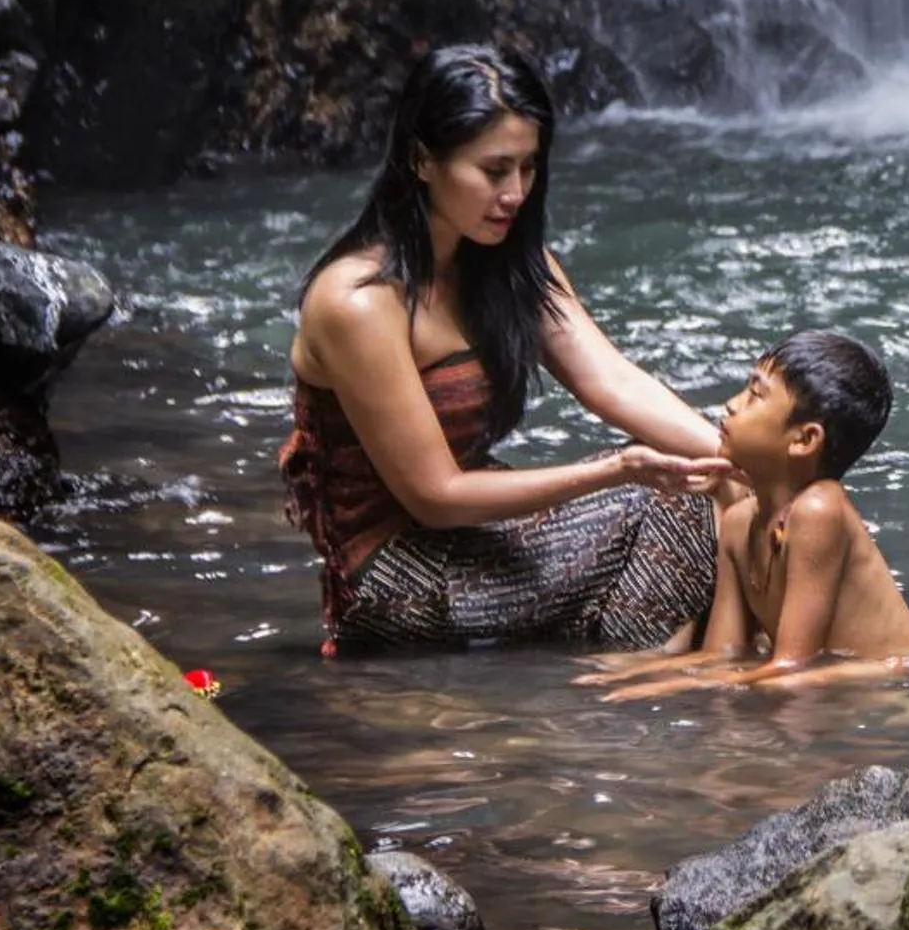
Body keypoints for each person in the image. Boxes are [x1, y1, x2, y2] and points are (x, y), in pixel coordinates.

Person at [281, 42, 735, 656]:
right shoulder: (359, 303)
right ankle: (644, 686)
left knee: (725, 494)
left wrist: (748, 462)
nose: (516, 194)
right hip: (394, 571)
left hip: (479, 532)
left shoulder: (511, 267)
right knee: (675, 508)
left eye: (529, 168)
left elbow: (611, 381)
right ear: (422, 160)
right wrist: (618, 468)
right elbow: (435, 497)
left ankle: (638, 677)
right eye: (495, 171)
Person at [585, 329, 909, 698]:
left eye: (755, 396)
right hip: (835, 688)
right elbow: (723, 656)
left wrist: (672, 686)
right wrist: (641, 669)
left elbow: (793, 666)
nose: (732, 405)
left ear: (804, 440)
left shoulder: (820, 509)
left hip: (898, 692)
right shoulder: (739, 523)